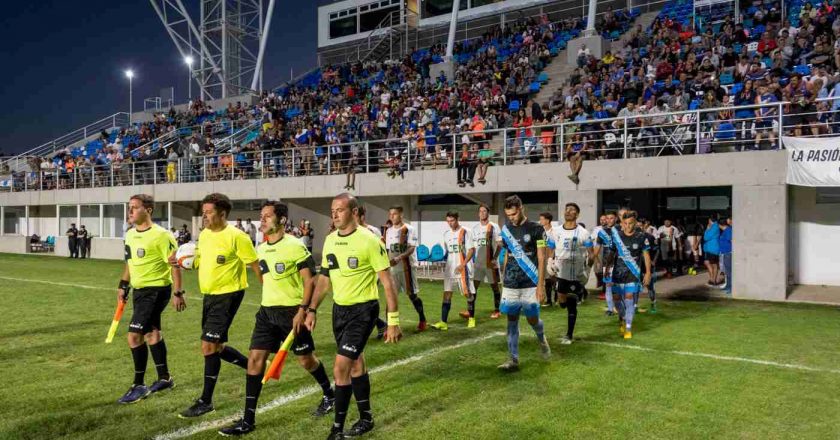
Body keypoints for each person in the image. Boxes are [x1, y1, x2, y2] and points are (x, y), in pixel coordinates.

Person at [218, 201, 334, 436]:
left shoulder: (295, 246)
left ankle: (329, 394)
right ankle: (248, 420)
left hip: (293, 313)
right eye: (261, 216)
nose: (262, 220)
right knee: (254, 359)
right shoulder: (260, 249)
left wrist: (304, 309)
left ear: (281, 220)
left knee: (306, 360)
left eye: (267, 216)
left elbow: (310, 281)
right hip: (266, 313)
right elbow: (263, 278)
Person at [302, 193, 402, 439]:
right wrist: (312, 308)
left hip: (364, 310)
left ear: (354, 212)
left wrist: (393, 321)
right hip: (340, 310)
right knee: (356, 364)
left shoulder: (370, 241)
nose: (334, 214)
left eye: (340, 209)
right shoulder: (330, 241)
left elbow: (388, 284)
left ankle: (336, 429)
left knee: (341, 368)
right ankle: (366, 418)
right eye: (332, 210)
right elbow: (324, 280)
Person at [175, 193, 262, 418]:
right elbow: (201, 260)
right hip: (210, 295)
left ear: (222, 214)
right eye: (203, 212)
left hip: (229, 294)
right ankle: (256, 367)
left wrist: (269, 292)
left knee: (208, 345)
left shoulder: (237, 237)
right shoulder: (204, 235)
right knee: (218, 347)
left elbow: (255, 265)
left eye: (208, 212)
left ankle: (206, 401)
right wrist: (185, 262)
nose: (204, 215)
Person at [116, 194, 185, 404]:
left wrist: (178, 293)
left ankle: (139, 385)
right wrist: (123, 285)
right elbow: (130, 262)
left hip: (156, 290)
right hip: (139, 291)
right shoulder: (130, 234)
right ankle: (165, 378)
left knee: (134, 335)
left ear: (148, 210)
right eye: (129, 207)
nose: (130, 212)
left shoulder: (162, 236)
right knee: (152, 333)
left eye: (135, 208)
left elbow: (175, 266)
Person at [498, 195, 550, 371]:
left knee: (532, 319)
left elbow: (542, 257)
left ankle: (542, 338)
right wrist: (503, 278)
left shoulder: (537, 229)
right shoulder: (506, 229)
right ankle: (513, 359)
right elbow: (506, 254)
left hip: (530, 282)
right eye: (508, 215)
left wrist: (541, 286)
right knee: (511, 320)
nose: (511, 218)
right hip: (510, 282)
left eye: (513, 214)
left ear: (521, 208)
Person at [546, 203, 594, 345]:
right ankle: (578, 295)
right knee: (562, 302)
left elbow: (591, 255)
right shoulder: (555, 231)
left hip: (576, 274)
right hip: (561, 272)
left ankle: (569, 334)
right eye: (566, 209)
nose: (568, 212)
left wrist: (588, 271)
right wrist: (550, 261)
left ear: (577, 215)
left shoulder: (583, 233)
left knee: (572, 303)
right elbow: (551, 247)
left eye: (572, 210)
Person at [608, 211, 651, 339]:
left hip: (633, 272)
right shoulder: (616, 236)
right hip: (617, 273)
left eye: (631, 223)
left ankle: (628, 327)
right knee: (616, 299)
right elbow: (612, 253)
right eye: (625, 223)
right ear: (622, 223)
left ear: (635, 223)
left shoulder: (641, 237)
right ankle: (622, 317)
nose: (628, 226)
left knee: (629, 297)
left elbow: (646, 255)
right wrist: (607, 267)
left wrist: (648, 272)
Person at [384, 206, 428, 332]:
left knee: (412, 296)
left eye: (395, 214)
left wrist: (398, 258)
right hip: (393, 269)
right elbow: (388, 250)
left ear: (401, 215)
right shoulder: (388, 231)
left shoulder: (409, 229)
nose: (392, 216)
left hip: (407, 268)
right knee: (390, 297)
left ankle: (422, 319)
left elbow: (411, 248)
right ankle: (389, 327)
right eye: (390, 214)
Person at [432, 211, 476, 330]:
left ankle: (471, 318)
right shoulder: (446, 234)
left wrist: (463, 264)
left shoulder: (466, 232)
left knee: (467, 293)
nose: (450, 223)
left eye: (452, 221)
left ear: (458, 219)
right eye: (448, 221)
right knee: (447, 293)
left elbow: (471, 250)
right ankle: (444, 322)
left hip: (463, 268)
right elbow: (448, 251)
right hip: (450, 269)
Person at [470, 204, 503, 319]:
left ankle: (497, 310)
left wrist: (494, 258)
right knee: (473, 286)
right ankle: (470, 311)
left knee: (494, 286)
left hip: (490, 263)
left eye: (484, 211)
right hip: (478, 263)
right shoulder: (474, 228)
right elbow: (473, 246)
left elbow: (500, 244)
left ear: (488, 213)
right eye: (480, 211)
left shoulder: (494, 226)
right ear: (478, 213)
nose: (482, 213)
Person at [594, 211, 619, 315]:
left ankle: (620, 307)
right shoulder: (602, 232)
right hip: (607, 264)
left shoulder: (621, 230)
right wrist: (595, 259)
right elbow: (597, 248)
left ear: (616, 219)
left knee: (619, 287)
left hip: (620, 264)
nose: (608, 220)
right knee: (608, 286)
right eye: (607, 218)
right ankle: (610, 309)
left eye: (611, 218)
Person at [538, 212, 557, 306]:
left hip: (552, 258)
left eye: (542, 219)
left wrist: (551, 258)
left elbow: (555, 247)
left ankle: (557, 295)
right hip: (543, 258)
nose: (540, 221)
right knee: (546, 279)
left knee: (553, 278)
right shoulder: (540, 231)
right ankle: (549, 300)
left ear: (547, 220)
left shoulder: (554, 232)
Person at [703, 214, 722, 287]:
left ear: (710, 220)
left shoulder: (714, 227)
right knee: (707, 262)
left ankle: (713, 280)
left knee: (714, 264)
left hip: (713, 248)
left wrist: (707, 229)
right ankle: (712, 279)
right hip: (709, 248)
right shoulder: (714, 226)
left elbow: (706, 237)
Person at [718, 218, 733, 296]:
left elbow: (731, 241)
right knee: (727, 271)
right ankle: (728, 285)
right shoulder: (725, 231)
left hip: (728, 253)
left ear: (720, 225)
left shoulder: (728, 230)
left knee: (729, 271)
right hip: (725, 253)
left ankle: (731, 287)